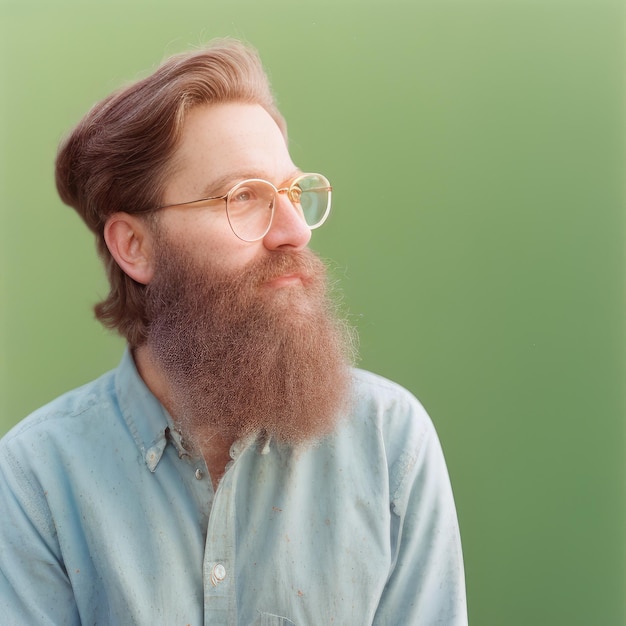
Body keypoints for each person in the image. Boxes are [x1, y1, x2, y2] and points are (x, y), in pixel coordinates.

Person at [0, 39, 467, 625]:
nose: (295, 231)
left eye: (295, 193)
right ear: (135, 247)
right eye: (245, 196)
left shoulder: (389, 443)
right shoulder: (34, 481)